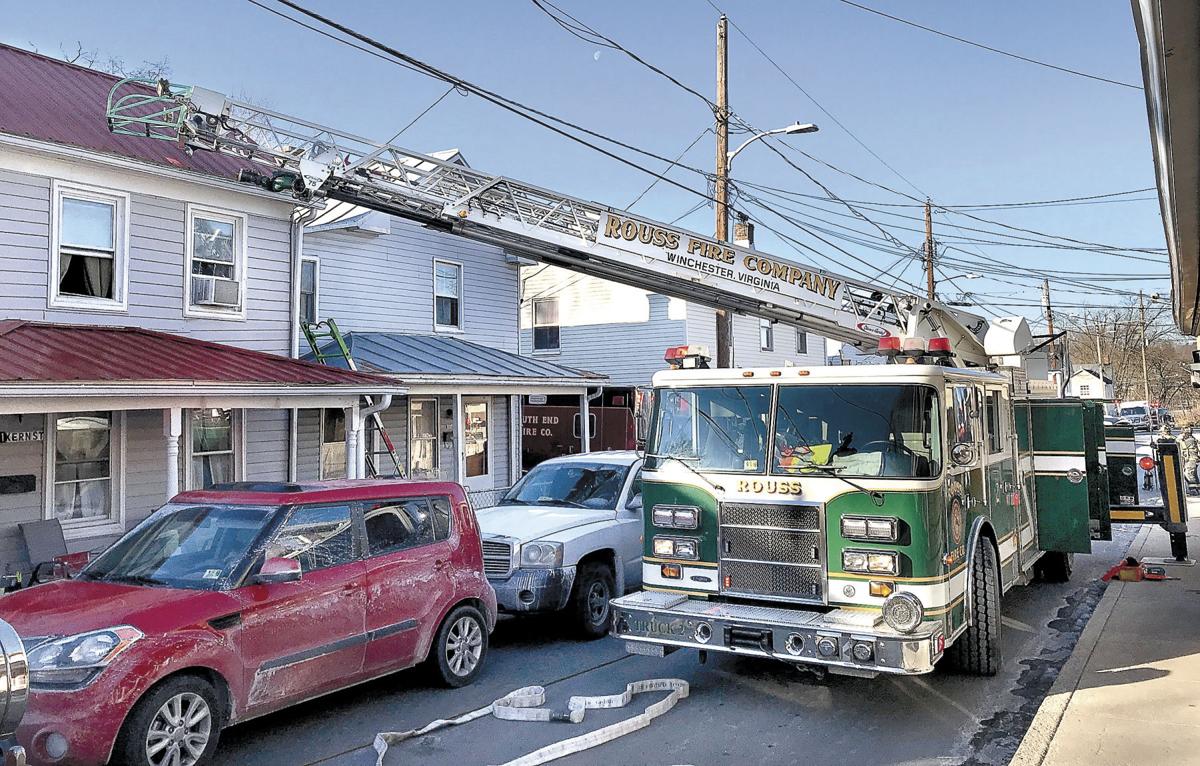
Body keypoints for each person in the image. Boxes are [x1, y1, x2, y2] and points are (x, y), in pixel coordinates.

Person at [1179, 424, 1199, 494]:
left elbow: (1180, 445)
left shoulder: (1189, 440)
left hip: (1191, 459)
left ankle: (1193, 490)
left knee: (1189, 474)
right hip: (1191, 459)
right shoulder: (1190, 439)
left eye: (1183, 432)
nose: (1182, 434)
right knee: (1193, 474)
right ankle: (1197, 488)